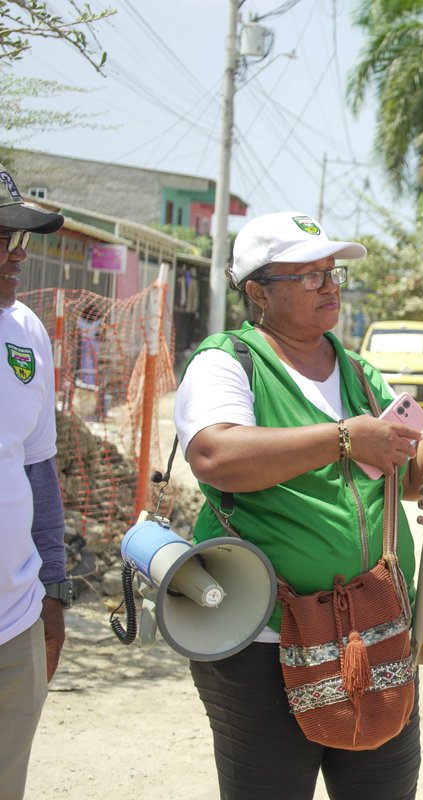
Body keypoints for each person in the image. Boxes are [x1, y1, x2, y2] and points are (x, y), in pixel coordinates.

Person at [174, 212, 423, 800]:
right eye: (309, 275)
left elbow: (408, 464)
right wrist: (343, 438)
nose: (330, 285)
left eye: (332, 272)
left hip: (371, 635)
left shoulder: (361, 374)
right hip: (261, 640)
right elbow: (216, 454)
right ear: (259, 292)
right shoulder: (227, 361)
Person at [0, 166, 72, 800]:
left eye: (20, 239)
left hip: (14, 620)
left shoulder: (24, 332)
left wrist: (53, 587)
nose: (16, 256)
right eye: (1, 238)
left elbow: (35, 466)